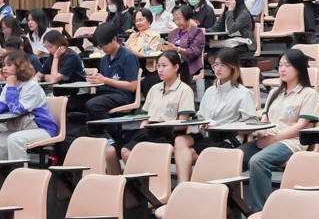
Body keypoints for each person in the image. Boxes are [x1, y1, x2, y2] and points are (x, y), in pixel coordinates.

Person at [246, 49, 319, 212]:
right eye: (280, 65)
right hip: (269, 138)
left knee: (258, 161)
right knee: (234, 157)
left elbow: (301, 125)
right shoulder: (274, 92)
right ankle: (229, 208)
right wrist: (261, 135)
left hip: (291, 142)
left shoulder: (309, 94)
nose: (282, 69)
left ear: (299, 68)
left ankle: (261, 212)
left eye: (287, 65)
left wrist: (273, 139)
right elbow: (265, 118)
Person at [119, 48, 198, 180]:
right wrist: (144, 127)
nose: (160, 70)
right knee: (124, 151)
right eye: (158, 66)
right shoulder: (154, 89)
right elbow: (146, 118)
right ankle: (141, 185)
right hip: (151, 131)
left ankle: (150, 184)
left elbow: (182, 124)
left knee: (130, 151)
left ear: (176, 67)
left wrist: (160, 127)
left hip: (169, 134)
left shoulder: (184, 90)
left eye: (164, 66)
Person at [0, 51, 59, 161]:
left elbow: (16, 109)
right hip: (21, 127)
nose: (4, 68)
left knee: (14, 140)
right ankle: (5, 171)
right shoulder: (11, 82)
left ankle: (19, 171)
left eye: (9, 65)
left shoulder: (32, 85)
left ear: (20, 66)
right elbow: (1, 103)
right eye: (3, 65)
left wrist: (11, 87)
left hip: (42, 128)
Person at [84, 23, 141, 123]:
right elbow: (103, 82)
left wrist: (106, 80)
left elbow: (132, 86)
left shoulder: (128, 56)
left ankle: (110, 131)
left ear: (114, 39)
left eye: (104, 46)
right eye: (99, 47)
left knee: (93, 104)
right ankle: (88, 127)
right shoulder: (104, 59)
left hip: (122, 95)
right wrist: (95, 80)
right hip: (104, 93)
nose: (102, 49)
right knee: (72, 102)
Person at [199, 49, 258, 126]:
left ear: (233, 67)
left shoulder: (244, 93)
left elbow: (251, 123)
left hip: (229, 133)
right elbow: (201, 118)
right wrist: (202, 125)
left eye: (223, 65)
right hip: (207, 133)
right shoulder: (209, 91)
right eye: (216, 64)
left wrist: (219, 125)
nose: (218, 68)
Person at [167, 4, 205, 81]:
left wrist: (177, 49)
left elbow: (195, 52)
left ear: (187, 17)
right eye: (174, 20)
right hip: (172, 65)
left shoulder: (197, 32)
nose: (177, 22)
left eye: (179, 19)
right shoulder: (172, 33)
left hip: (189, 65)